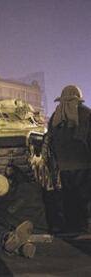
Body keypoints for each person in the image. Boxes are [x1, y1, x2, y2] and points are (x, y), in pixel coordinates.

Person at [47, 85, 91, 233]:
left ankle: (71, 225)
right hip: (84, 163)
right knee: (83, 196)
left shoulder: (55, 116)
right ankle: (82, 226)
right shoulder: (86, 113)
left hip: (64, 165)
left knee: (68, 195)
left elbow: (50, 140)